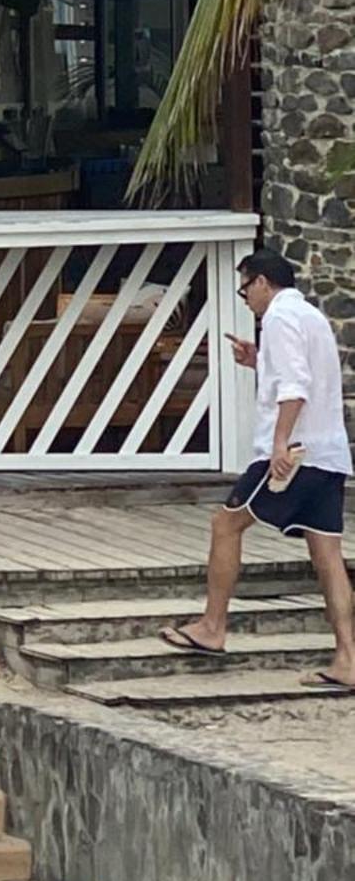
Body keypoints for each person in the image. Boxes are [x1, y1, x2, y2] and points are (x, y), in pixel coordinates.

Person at [161, 249, 354, 689]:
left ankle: (212, 626)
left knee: (225, 524)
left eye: (245, 287)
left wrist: (280, 442)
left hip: (293, 454)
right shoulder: (311, 317)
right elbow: (299, 371)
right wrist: (259, 360)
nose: (244, 297)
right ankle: (348, 656)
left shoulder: (280, 319)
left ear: (263, 282)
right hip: (328, 453)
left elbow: (295, 386)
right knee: (326, 554)